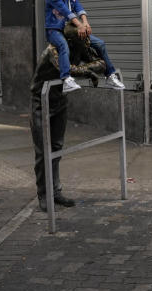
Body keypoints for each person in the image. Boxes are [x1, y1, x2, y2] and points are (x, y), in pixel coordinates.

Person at [29, 25, 106, 212]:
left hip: (60, 101)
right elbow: (68, 69)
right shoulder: (53, 49)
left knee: (56, 148)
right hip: (42, 102)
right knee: (43, 152)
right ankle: (44, 194)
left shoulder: (80, 46)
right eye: (82, 38)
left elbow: (101, 63)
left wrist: (85, 68)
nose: (87, 42)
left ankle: (55, 191)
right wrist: (86, 71)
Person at [45, 0, 124, 94]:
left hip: (71, 28)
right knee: (63, 46)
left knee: (100, 44)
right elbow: (65, 10)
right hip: (55, 30)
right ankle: (66, 79)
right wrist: (80, 25)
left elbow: (78, 7)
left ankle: (110, 75)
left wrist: (85, 23)